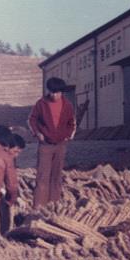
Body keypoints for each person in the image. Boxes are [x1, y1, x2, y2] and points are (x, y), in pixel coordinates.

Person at [28, 77, 76, 208]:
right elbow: (32, 120)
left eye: (57, 92)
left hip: (60, 145)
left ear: (62, 92)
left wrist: (68, 135)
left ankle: (53, 205)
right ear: (48, 91)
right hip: (45, 145)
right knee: (42, 176)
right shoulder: (41, 103)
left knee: (56, 176)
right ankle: (39, 207)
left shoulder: (68, 105)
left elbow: (71, 123)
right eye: (52, 92)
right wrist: (38, 134)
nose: (54, 95)